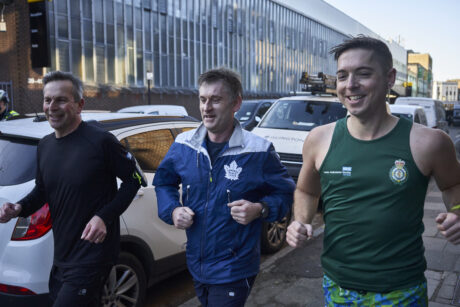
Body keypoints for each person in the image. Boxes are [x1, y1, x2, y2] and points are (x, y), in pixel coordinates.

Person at [286, 36, 460, 306]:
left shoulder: (430, 142)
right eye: (342, 76)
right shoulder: (318, 139)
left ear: (389, 78)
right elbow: (306, 190)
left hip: (401, 291)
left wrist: (457, 213)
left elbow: (452, 186)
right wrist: (301, 220)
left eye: (363, 74)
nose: (350, 85)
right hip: (337, 287)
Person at [153, 67, 295, 306]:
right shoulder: (183, 144)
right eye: (203, 99)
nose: (206, 108)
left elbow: (285, 192)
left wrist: (260, 209)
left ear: (236, 103)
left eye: (216, 100)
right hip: (196, 263)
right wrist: (173, 210)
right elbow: (163, 182)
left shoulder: (258, 150)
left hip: (235, 268)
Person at [0, 71, 142, 306]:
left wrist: (103, 217)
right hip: (62, 255)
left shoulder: (100, 141)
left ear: (79, 105)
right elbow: (42, 191)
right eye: (47, 100)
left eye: (61, 100)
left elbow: (133, 180)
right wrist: (19, 207)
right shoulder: (45, 146)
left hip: (93, 254)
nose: (52, 106)